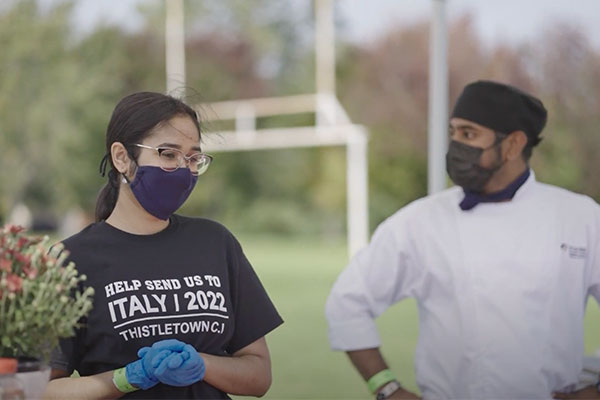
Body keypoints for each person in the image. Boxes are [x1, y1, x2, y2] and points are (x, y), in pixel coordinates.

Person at [325, 80, 600, 400]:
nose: (455, 145)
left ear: (513, 145)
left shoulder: (581, 218)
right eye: (452, 132)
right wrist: (386, 388)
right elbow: (347, 302)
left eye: (468, 134)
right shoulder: (420, 221)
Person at [43, 92, 283, 399]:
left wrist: (203, 364)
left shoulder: (215, 243)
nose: (184, 170)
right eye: (168, 154)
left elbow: (259, 375)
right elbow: (40, 390)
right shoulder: (70, 260)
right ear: (121, 158)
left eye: (194, 158)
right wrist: (128, 377)